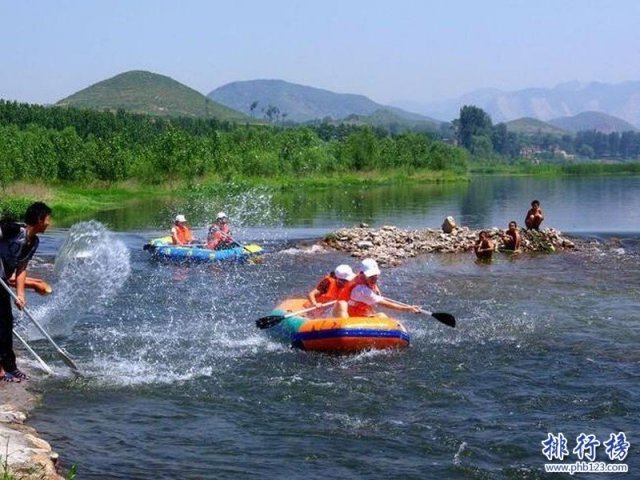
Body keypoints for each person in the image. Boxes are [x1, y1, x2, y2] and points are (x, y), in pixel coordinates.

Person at [0, 202, 52, 382]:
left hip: (2, 282)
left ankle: (10, 367)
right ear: (39, 219)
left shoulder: (33, 242)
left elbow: (21, 269)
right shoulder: (13, 230)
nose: (49, 223)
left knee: (7, 324)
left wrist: (21, 295)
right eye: (47, 219)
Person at [334, 258, 421, 318]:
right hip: (351, 316)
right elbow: (384, 303)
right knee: (382, 315)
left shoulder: (360, 276)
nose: (374, 279)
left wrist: (376, 288)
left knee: (381, 316)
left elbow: (372, 283)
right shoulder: (361, 290)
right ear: (363, 274)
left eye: (375, 275)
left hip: (360, 311)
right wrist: (407, 309)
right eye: (371, 276)